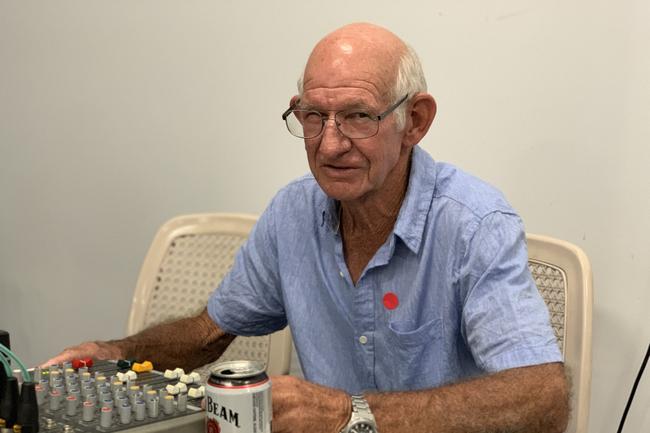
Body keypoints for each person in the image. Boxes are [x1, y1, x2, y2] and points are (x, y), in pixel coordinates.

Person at [45, 23, 569, 433]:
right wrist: (116, 354)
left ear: (415, 121)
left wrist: (349, 413)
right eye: (313, 115)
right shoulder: (293, 212)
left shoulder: (474, 223)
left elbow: (543, 397)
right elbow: (209, 332)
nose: (329, 144)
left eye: (359, 116)